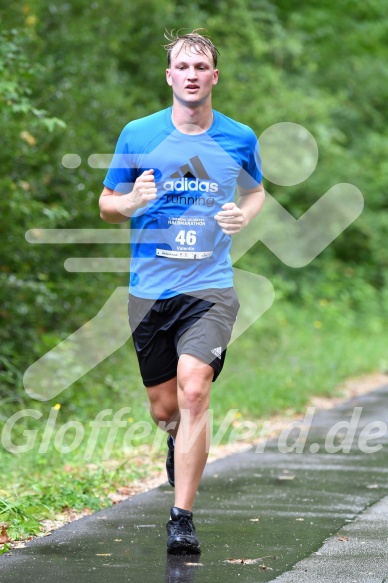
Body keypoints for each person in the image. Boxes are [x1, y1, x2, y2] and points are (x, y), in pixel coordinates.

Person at [99, 29, 265, 555]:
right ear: (169, 76)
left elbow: (256, 191)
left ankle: (182, 516)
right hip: (149, 292)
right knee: (165, 409)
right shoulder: (139, 134)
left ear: (214, 76)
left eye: (201, 67)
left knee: (195, 392)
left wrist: (243, 214)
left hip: (210, 289)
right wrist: (130, 203)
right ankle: (176, 442)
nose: (192, 75)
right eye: (183, 67)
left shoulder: (238, 137)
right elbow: (106, 201)